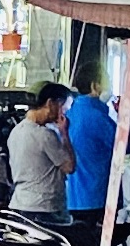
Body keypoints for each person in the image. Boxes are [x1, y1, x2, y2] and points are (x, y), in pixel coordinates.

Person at [7, 82, 73, 220]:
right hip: (45, 207)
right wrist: (64, 134)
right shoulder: (45, 135)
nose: (64, 113)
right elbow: (69, 166)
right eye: (63, 107)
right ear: (50, 103)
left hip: (20, 204)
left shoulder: (16, 132)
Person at [64, 73, 118, 236]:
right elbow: (124, 146)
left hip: (73, 196)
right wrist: (124, 117)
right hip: (97, 196)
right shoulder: (97, 116)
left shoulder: (71, 113)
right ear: (95, 86)